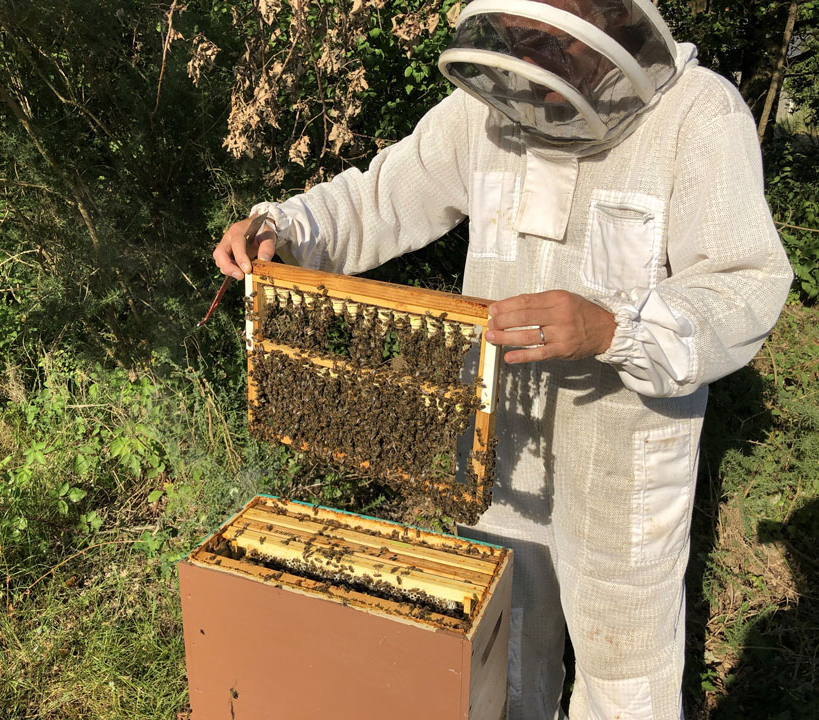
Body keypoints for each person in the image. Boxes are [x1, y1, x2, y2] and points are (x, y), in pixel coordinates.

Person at [212, 1, 793, 718]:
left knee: (626, 674)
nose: (532, 60)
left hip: (622, 458)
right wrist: (286, 227)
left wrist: (615, 327)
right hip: (497, 443)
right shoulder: (483, 109)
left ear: (606, 14)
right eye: (519, 38)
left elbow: (743, 286)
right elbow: (381, 195)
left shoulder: (698, 116)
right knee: (505, 654)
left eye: (552, 39)